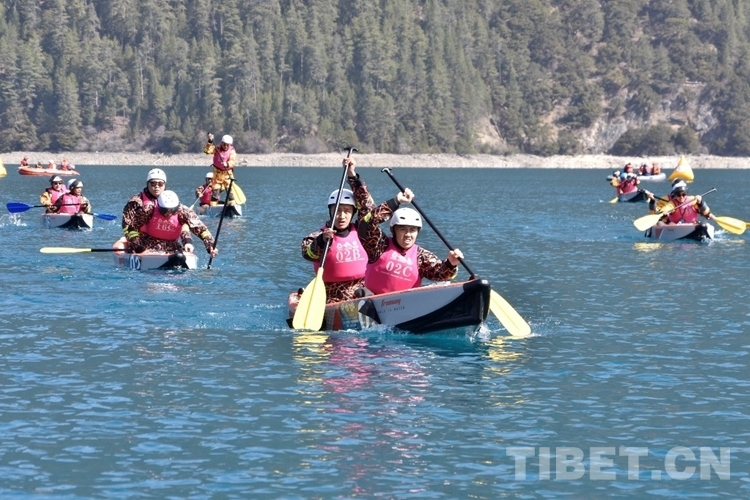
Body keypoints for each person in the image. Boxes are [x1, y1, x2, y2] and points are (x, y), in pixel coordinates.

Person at [357, 190, 464, 295]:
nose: (408, 234)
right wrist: (396, 201)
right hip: (373, 300)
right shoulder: (379, 245)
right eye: (403, 229)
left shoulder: (421, 256)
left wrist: (451, 264)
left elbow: (440, 274)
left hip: (406, 302)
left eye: (412, 230)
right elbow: (366, 224)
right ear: (393, 230)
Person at [300, 157, 375, 303]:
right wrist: (322, 241)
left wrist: (352, 176)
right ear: (330, 211)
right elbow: (307, 253)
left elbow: (368, 207)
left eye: (347, 211)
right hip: (331, 294)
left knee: (366, 294)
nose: (342, 216)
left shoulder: (363, 232)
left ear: (353, 213)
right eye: (337, 210)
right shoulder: (316, 236)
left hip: (362, 289)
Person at [124, 190, 218, 257]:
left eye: (172, 210)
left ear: (177, 206)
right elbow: (132, 228)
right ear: (159, 205)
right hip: (148, 245)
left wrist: (210, 246)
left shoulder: (184, 212)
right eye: (165, 211)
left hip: (172, 246)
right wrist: (137, 247)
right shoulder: (148, 209)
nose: (168, 214)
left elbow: (201, 230)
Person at [122, 168, 168, 243]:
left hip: (165, 241)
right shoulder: (135, 201)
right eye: (153, 183)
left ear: (164, 185)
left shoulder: (171, 201)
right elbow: (126, 225)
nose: (157, 186)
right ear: (147, 184)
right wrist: (135, 242)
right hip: (141, 240)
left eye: (160, 184)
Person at [644, 180, 714, 224]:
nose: (681, 197)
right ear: (674, 193)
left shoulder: (692, 199)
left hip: (691, 224)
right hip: (672, 224)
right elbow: (661, 210)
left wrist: (701, 203)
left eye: (683, 194)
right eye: (678, 195)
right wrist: (653, 202)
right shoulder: (670, 202)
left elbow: (704, 211)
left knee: (704, 224)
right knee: (662, 223)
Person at [203, 133, 236, 203]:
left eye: (227, 145)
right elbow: (207, 151)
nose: (225, 146)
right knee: (215, 191)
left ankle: (231, 203)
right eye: (224, 144)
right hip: (217, 174)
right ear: (221, 143)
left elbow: (232, 162)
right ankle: (213, 204)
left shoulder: (232, 151)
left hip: (227, 174)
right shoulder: (216, 148)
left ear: (230, 145)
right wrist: (210, 141)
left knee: (230, 191)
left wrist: (227, 164)